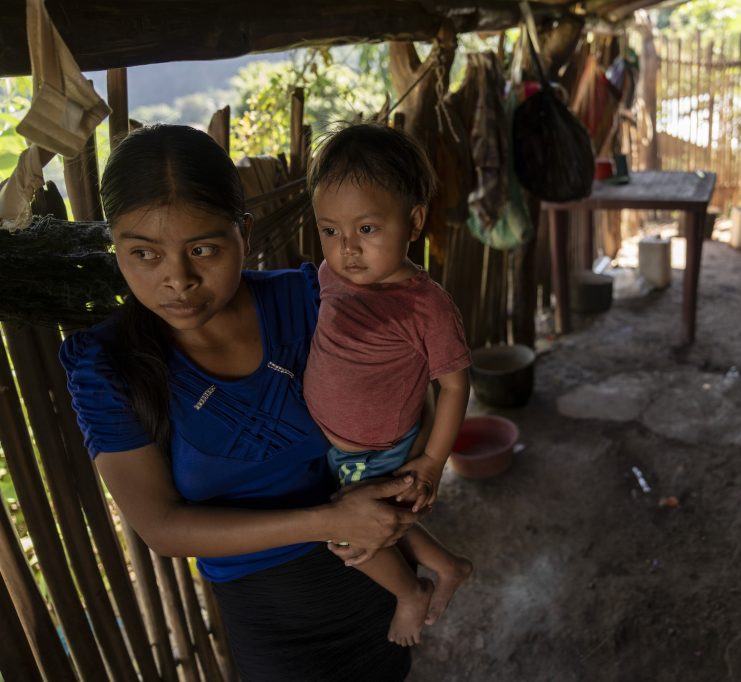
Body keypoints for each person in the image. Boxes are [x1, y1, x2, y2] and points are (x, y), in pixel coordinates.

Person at [60, 124, 426, 681]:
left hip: (371, 574)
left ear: (244, 233)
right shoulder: (107, 366)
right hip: (268, 613)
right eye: (144, 254)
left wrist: (415, 482)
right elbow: (161, 526)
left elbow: (401, 399)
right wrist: (327, 518)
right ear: (116, 246)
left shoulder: (312, 302)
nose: (177, 280)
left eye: (203, 249)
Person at [302, 122, 473, 647]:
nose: (347, 248)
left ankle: (410, 594)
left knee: (347, 530)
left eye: (367, 230)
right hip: (339, 447)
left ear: (414, 221)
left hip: (378, 450)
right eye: (330, 231)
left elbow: (455, 387)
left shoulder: (425, 306)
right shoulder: (332, 277)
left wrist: (431, 462)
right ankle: (448, 566)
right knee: (382, 520)